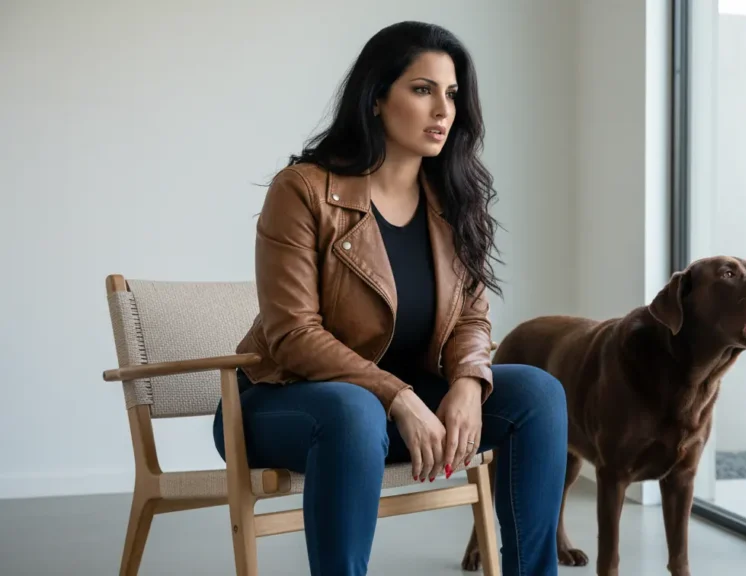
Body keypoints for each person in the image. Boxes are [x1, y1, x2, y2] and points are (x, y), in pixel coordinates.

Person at [211, 20, 569, 576]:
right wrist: (398, 398)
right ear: (377, 98)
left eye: (451, 94)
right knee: (355, 409)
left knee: (537, 393)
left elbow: (471, 316)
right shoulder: (304, 190)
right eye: (422, 89)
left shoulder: (454, 199)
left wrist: (471, 384)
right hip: (284, 404)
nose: (443, 110)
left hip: (400, 413)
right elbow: (293, 334)